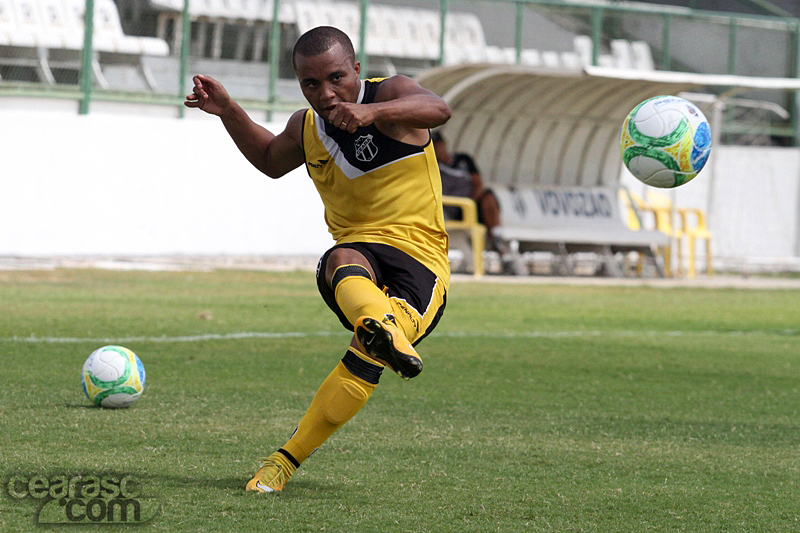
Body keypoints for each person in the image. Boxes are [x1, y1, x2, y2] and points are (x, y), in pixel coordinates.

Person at [184, 26, 452, 493]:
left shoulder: (390, 95)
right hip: (360, 258)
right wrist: (228, 110)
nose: (325, 93)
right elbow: (270, 160)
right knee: (340, 257)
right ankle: (382, 331)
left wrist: (371, 112)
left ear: (356, 70)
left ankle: (287, 457)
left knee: (364, 354)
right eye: (311, 84)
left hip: (420, 262)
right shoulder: (306, 128)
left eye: (336, 79)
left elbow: (439, 109)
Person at [432, 131, 507, 257]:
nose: (435, 149)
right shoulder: (433, 166)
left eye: (437, 144)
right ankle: (494, 244)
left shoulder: (463, 160)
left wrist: (471, 202)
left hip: (473, 203)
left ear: (444, 144)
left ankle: (497, 237)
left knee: (488, 197)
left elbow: (478, 183)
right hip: (457, 210)